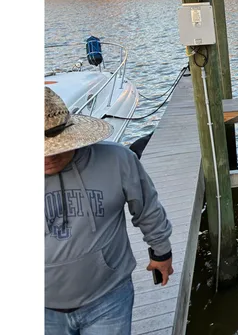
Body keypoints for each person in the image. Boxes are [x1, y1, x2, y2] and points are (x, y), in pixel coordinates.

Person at [44, 87, 173, 334]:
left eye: (54, 146)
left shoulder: (118, 160)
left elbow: (147, 208)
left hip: (108, 300)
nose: (47, 157)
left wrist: (161, 253)